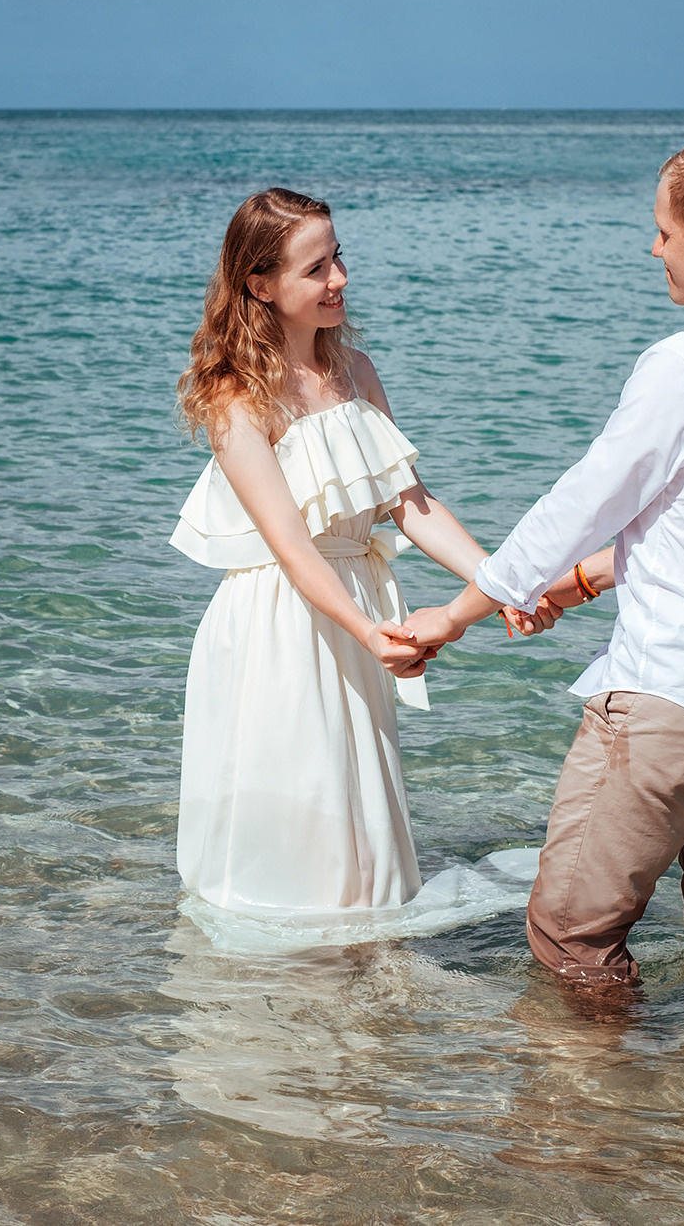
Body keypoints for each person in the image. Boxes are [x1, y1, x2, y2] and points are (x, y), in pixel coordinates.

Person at [405, 136, 684, 984]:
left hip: (672, 702)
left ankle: (598, 1116)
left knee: (571, 935)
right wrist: (578, 585)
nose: (655, 249)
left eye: (663, 231)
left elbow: (581, 502)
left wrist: (456, 614)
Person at [170, 188, 509, 914]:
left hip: (352, 609)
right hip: (281, 624)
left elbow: (413, 507)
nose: (340, 280)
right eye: (317, 268)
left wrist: (504, 580)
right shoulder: (237, 397)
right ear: (261, 285)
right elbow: (291, 547)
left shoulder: (356, 371)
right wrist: (368, 631)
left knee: (358, 834)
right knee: (303, 827)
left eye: (338, 258)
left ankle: (362, 1000)